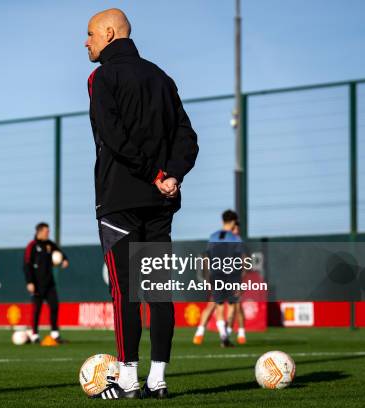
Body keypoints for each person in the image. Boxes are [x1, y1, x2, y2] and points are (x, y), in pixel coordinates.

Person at [85, 8, 199, 399]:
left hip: (120, 201)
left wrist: (153, 174)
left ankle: (129, 380)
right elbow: (188, 137)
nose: (86, 42)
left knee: (126, 292)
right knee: (159, 291)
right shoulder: (162, 78)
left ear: (110, 33)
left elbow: (113, 136)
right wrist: (172, 176)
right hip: (161, 202)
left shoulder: (102, 77)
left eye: (90, 34)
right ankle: (159, 379)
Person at [193, 210, 245, 348]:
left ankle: (222, 334)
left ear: (223, 221)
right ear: (233, 222)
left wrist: (207, 275)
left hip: (216, 274)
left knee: (219, 305)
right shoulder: (235, 238)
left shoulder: (213, 236)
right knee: (233, 305)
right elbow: (241, 259)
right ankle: (225, 336)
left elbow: (206, 257)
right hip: (232, 275)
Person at [23, 222, 69, 344]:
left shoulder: (50, 244)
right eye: (46, 231)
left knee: (54, 306)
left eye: (48, 231)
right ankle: (34, 335)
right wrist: (30, 282)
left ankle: (55, 334)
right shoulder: (31, 246)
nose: (48, 233)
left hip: (49, 283)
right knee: (36, 310)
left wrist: (64, 260)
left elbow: (61, 253)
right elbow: (26, 265)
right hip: (36, 284)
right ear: (39, 232)